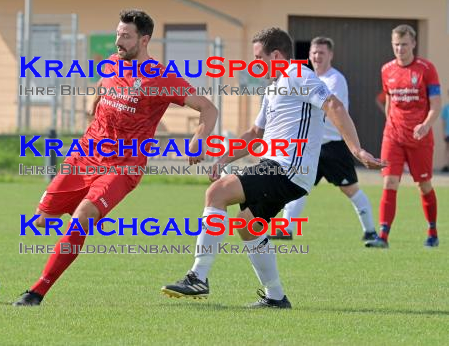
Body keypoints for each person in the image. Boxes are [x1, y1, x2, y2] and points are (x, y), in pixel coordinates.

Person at [161, 27, 385, 309]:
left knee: (217, 193)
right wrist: (222, 159)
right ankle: (276, 296)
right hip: (277, 166)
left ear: (276, 55)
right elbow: (256, 133)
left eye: (258, 57)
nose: (255, 64)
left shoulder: (299, 75)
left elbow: (334, 105)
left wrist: (355, 149)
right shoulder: (273, 85)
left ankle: (198, 276)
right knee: (246, 225)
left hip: (288, 168)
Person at [13, 9, 218, 306]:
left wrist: (199, 140)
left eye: (125, 36)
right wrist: (93, 107)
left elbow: (208, 108)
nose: (118, 41)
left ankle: (36, 292)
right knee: (42, 221)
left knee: (83, 216)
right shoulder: (112, 64)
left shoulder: (162, 78)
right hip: (85, 155)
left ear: (144, 40)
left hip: (124, 166)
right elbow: (102, 87)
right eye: (117, 34)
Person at [273, 37, 377, 242]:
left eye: (321, 52)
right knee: (296, 184)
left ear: (330, 55)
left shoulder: (335, 80)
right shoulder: (307, 77)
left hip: (333, 147)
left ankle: (371, 231)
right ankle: (285, 230)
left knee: (349, 189)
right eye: (314, 52)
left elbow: (328, 109)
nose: (317, 56)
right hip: (311, 146)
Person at [366, 24, 441, 249]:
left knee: (424, 185)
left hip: (420, 138)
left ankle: (432, 232)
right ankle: (383, 237)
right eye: (396, 45)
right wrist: (390, 125)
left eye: (404, 45)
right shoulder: (386, 69)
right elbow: (389, 101)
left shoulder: (426, 69)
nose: (400, 49)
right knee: (389, 182)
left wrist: (426, 125)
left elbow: (436, 104)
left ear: (414, 44)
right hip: (393, 137)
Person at [441, 92, 449, 173]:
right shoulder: (446, 108)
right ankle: (446, 165)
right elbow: (443, 121)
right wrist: (444, 133)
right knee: (447, 149)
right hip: (448, 132)